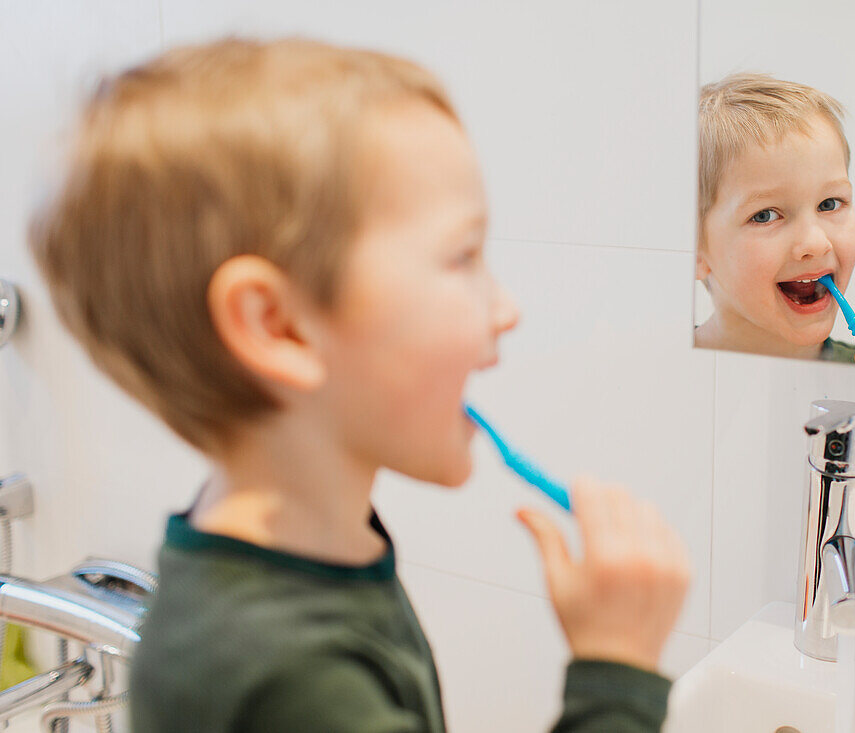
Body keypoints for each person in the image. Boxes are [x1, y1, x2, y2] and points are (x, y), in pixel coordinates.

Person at [29, 38, 691, 732]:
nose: (507, 309)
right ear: (278, 326)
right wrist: (617, 671)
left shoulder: (312, 545)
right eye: (463, 256)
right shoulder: (276, 673)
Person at [695, 73, 855, 375]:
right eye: (765, 215)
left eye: (829, 204)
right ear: (693, 251)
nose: (815, 243)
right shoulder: (654, 370)